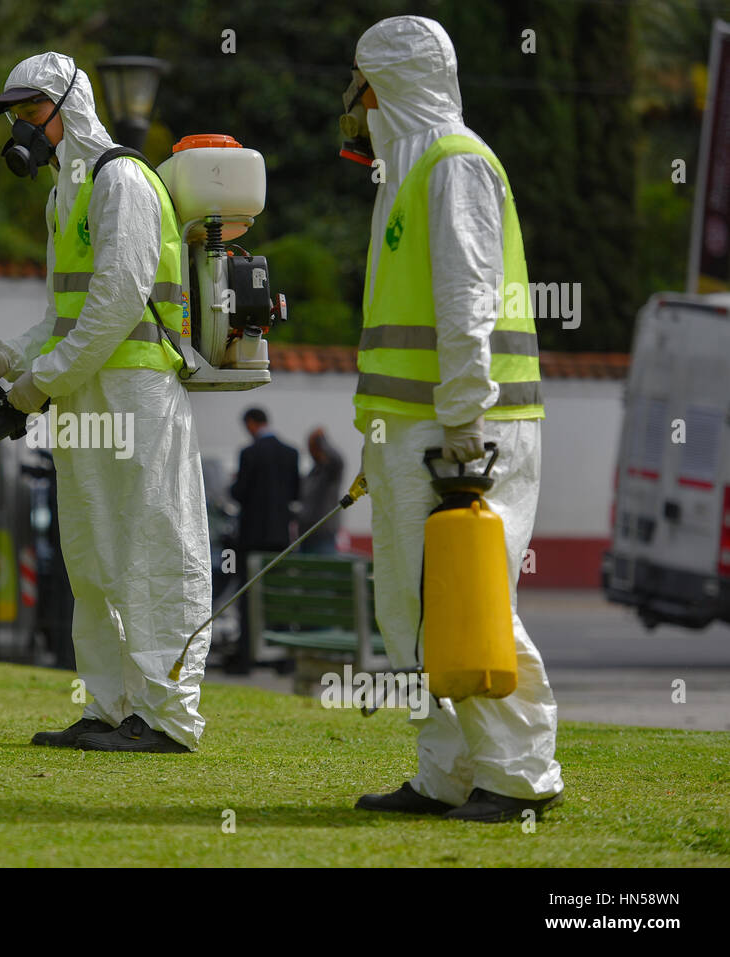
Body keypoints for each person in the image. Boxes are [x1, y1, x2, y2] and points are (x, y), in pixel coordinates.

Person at [0, 52, 212, 753]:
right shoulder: (61, 196)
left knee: (152, 545)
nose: (21, 126)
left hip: (135, 391)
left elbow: (118, 300)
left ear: (70, 105)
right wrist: (10, 356)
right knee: (92, 552)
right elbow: (64, 316)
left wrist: (44, 380)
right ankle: (109, 706)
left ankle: (167, 715)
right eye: (15, 114)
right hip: (86, 392)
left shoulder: (120, 179)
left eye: (31, 110)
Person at [344, 17, 565, 821]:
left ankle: (520, 774)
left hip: (464, 429)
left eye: (361, 84)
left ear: (389, 85)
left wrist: (465, 427)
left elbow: (467, 307)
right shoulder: (408, 175)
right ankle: (448, 773)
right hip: (417, 430)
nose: (355, 103)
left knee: (468, 601)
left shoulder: (454, 164)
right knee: (414, 610)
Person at [227, 408, 300, 672]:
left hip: (252, 538)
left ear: (251, 423)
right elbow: (295, 493)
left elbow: (239, 494)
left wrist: (233, 484)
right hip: (280, 538)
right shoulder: (291, 453)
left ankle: (246, 658)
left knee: (248, 598)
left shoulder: (249, 453)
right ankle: (283, 659)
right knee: (277, 596)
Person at [296, 428, 345, 554]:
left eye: (315, 447)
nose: (312, 450)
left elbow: (337, 460)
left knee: (323, 571)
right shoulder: (312, 473)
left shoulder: (331, 471)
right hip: (306, 534)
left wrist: (321, 440)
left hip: (323, 533)